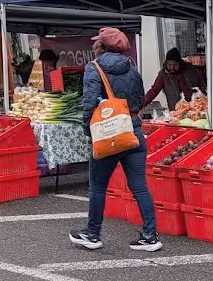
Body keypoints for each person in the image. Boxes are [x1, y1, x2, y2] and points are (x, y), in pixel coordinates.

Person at [70, 27, 162, 253]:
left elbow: (89, 103)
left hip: (108, 134)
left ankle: (92, 234)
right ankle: (150, 237)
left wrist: (88, 131)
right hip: (133, 131)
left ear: (100, 46)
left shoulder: (94, 68)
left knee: (98, 186)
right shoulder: (132, 69)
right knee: (140, 186)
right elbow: (140, 100)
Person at [142, 47, 206, 112]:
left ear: (179, 63)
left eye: (175, 64)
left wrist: (181, 79)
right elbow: (154, 90)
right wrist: (143, 103)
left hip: (193, 111)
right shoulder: (163, 74)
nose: (172, 67)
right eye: (169, 64)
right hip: (174, 112)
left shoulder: (190, 71)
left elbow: (199, 89)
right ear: (166, 63)